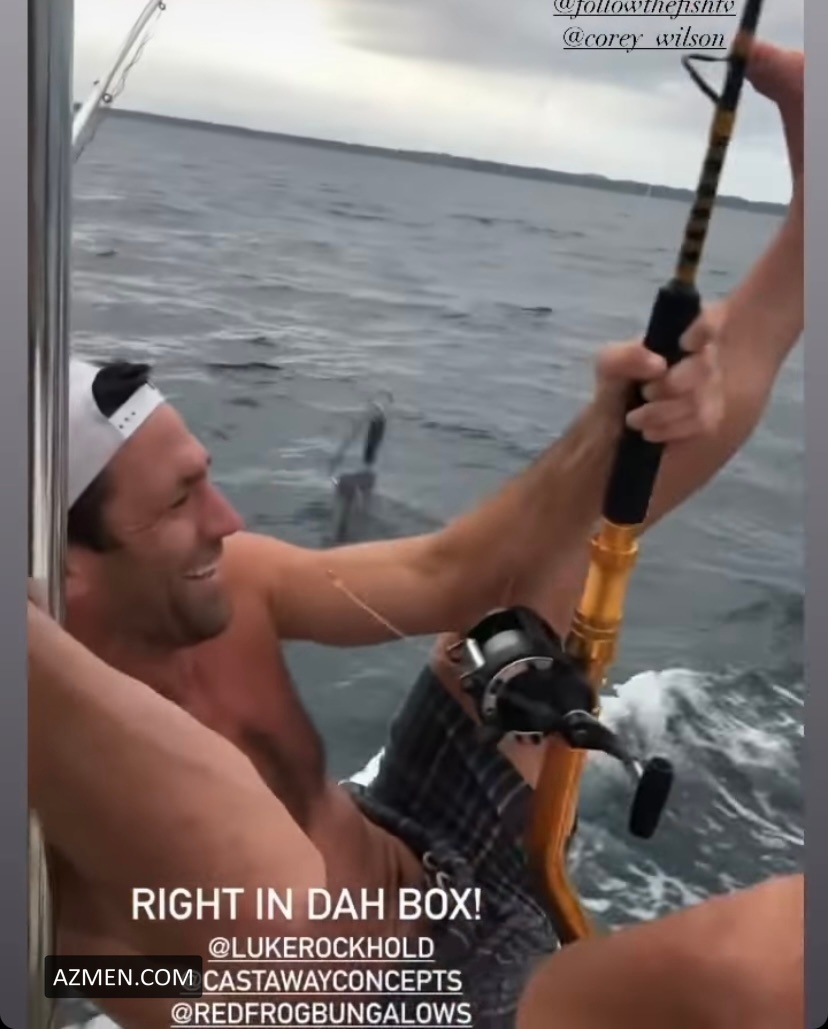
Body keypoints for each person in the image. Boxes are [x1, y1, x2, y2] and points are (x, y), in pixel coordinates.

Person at [29, 37, 803, 1029]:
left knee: (571, 531)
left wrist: (607, 426)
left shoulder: (238, 578)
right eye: (179, 504)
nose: (229, 520)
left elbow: (453, 570)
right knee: (765, 960)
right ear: (64, 573)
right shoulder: (46, 779)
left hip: (419, 850)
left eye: (207, 480)